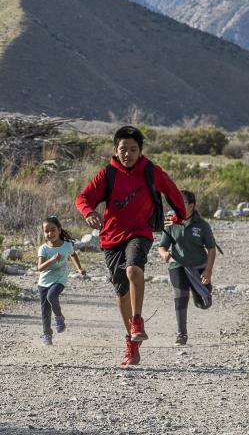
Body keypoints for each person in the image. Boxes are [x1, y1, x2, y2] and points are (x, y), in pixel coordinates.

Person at [75, 125, 188, 366]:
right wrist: (88, 212)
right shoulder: (108, 174)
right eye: (123, 149)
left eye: (133, 149)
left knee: (134, 269)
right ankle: (131, 344)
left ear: (140, 151)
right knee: (121, 292)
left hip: (140, 233)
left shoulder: (151, 171)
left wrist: (179, 215)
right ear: (115, 150)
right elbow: (83, 198)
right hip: (111, 238)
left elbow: (171, 190)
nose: (127, 154)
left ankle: (137, 321)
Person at [157, 190, 217, 346]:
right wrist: (164, 253)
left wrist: (208, 270)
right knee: (180, 295)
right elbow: (162, 246)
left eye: (182, 201)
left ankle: (199, 291)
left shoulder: (202, 225)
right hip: (178, 265)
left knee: (204, 304)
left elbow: (211, 248)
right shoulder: (172, 223)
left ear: (192, 205)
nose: (178, 204)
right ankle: (181, 334)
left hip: (199, 267)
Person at [36, 215, 86, 346]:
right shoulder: (44, 248)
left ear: (59, 230)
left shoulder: (66, 245)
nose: (50, 233)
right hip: (43, 282)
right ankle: (47, 334)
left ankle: (59, 317)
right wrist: (51, 259)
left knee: (51, 296)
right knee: (45, 311)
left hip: (60, 279)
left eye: (53, 230)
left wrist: (79, 268)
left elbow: (73, 254)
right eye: (46, 231)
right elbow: (40, 268)